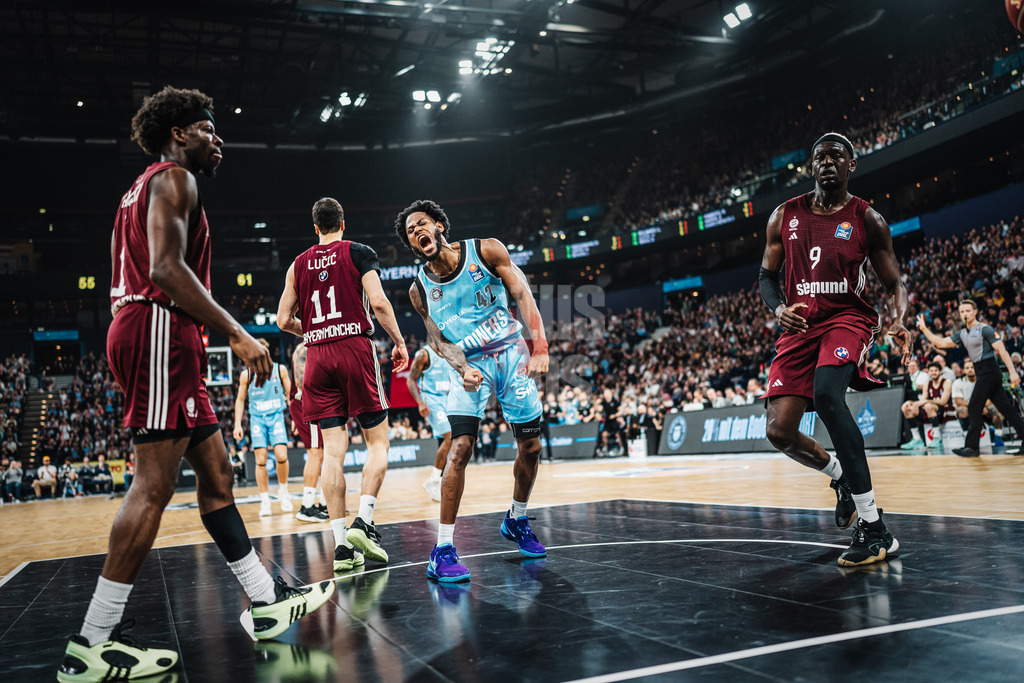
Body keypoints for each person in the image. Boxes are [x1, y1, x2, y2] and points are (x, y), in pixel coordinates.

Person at [59, 86, 334, 683]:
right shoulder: (175, 179)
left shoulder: (139, 188)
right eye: (211, 129)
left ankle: (265, 601)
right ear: (179, 133)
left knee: (217, 474)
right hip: (159, 329)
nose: (220, 140)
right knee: (153, 487)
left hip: (154, 332)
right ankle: (92, 643)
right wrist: (237, 332)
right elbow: (164, 268)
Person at [758, 132, 912, 567]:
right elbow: (766, 276)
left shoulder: (868, 219)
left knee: (827, 395)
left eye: (836, 156)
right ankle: (840, 477)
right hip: (799, 326)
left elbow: (894, 283)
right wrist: (778, 308)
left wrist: (898, 319)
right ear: (811, 167)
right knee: (780, 432)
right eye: (820, 156)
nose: (828, 161)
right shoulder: (782, 216)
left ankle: (875, 528)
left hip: (847, 319)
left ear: (851, 165)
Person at [396, 199, 549, 582]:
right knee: (460, 446)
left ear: (438, 225)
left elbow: (523, 294)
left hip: (512, 354)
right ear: (413, 246)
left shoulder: (486, 250)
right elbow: (440, 341)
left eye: (421, 224)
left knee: (531, 446)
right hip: (471, 366)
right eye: (410, 232)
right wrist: (461, 368)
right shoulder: (420, 290)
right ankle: (442, 548)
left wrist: (540, 345)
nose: (417, 232)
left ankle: (516, 518)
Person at [277, 197, 409, 573]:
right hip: (354, 348)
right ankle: (364, 522)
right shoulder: (357, 252)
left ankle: (340, 548)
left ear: (315, 226)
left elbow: (283, 318)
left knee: (333, 452)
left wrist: (315, 331)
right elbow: (379, 303)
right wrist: (399, 342)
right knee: (377, 442)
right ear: (342, 223)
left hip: (316, 356)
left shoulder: (297, 264)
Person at [916, 301, 1024, 457]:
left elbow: (1002, 350)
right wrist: (924, 329)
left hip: (989, 370)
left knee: (973, 406)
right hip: (981, 371)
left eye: (968, 310)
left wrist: (1013, 372)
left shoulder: (985, 329)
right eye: (962, 311)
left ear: (975, 312)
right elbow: (940, 342)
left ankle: (972, 447)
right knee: (1006, 409)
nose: (965, 314)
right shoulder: (962, 333)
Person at [233, 340, 294, 516]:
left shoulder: (279, 369)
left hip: (276, 417)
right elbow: (239, 399)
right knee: (261, 459)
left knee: (282, 455)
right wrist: (237, 423)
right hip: (257, 419)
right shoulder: (247, 374)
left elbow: (290, 395)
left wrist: (296, 418)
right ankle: (265, 499)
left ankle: (284, 492)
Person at [406, 343, 454, 501]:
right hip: (430, 400)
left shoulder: (450, 351)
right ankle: (433, 480)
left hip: (446, 398)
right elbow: (410, 380)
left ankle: (440, 481)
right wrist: (420, 402)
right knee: (450, 437)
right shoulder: (424, 354)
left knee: (445, 440)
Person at [289, 341, 329, 523]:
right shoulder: (304, 348)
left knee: (325, 454)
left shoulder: (318, 345)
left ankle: (324, 502)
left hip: (314, 404)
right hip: (308, 403)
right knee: (315, 454)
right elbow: (301, 382)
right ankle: (306, 506)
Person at [899, 362, 951, 450]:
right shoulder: (928, 383)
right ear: (928, 372)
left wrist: (925, 402)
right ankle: (917, 439)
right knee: (906, 407)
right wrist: (911, 403)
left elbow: (943, 401)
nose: (933, 372)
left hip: (945, 411)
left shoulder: (946, 382)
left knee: (928, 405)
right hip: (930, 410)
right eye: (931, 371)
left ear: (940, 371)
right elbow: (922, 399)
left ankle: (937, 438)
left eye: (935, 370)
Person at [952, 360, 1005, 441]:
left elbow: (989, 398)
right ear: (963, 370)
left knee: (994, 409)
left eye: (972, 367)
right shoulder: (958, 383)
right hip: (968, 409)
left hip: (983, 408)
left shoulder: (984, 381)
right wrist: (977, 407)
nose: (970, 370)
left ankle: (998, 436)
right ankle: (967, 437)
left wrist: (981, 406)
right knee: (961, 409)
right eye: (967, 368)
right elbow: (958, 401)